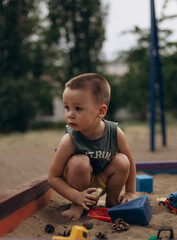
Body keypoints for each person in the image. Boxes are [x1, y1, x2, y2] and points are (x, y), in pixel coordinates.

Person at [48, 73, 137, 221]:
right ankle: (78, 205)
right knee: (79, 162)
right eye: (67, 107)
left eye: (78, 108)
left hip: (102, 181)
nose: (70, 114)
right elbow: (53, 177)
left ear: (101, 111)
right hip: (76, 183)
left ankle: (112, 202)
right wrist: (76, 196)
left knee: (123, 160)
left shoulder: (115, 133)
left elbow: (130, 163)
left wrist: (130, 192)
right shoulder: (69, 140)